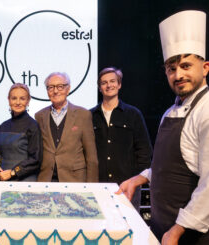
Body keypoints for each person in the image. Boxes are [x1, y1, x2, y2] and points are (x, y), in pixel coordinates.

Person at [117, 10, 209, 244]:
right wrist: (140, 178)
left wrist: (177, 230)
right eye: (171, 68)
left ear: (205, 67)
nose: (178, 75)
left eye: (186, 66)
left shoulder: (206, 110)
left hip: (190, 235)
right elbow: (167, 165)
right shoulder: (171, 111)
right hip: (164, 228)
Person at [90, 67, 152, 209]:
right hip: (99, 187)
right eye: (104, 83)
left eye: (112, 81)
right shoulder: (90, 116)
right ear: (100, 88)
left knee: (129, 227)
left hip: (127, 186)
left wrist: (135, 179)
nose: (109, 85)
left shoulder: (133, 114)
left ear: (119, 85)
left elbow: (144, 150)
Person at [35, 72, 98, 182]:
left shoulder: (83, 114)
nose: (55, 91)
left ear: (68, 89)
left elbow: (91, 156)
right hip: (46, 179)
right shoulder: (39, 116)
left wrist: (92, 186)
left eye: (60, 86)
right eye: (51, 87)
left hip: (74, 179)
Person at [0, 83, 42, 181]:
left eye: (22, 98)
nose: (18, 102)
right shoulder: (4, 126)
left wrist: (13, 172)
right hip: (3, 179)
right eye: (14, 98)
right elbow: (0, 155)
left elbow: (35, 160)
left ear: (28, 101)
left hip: (25, 180)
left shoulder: (33, 125)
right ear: (9, 100)